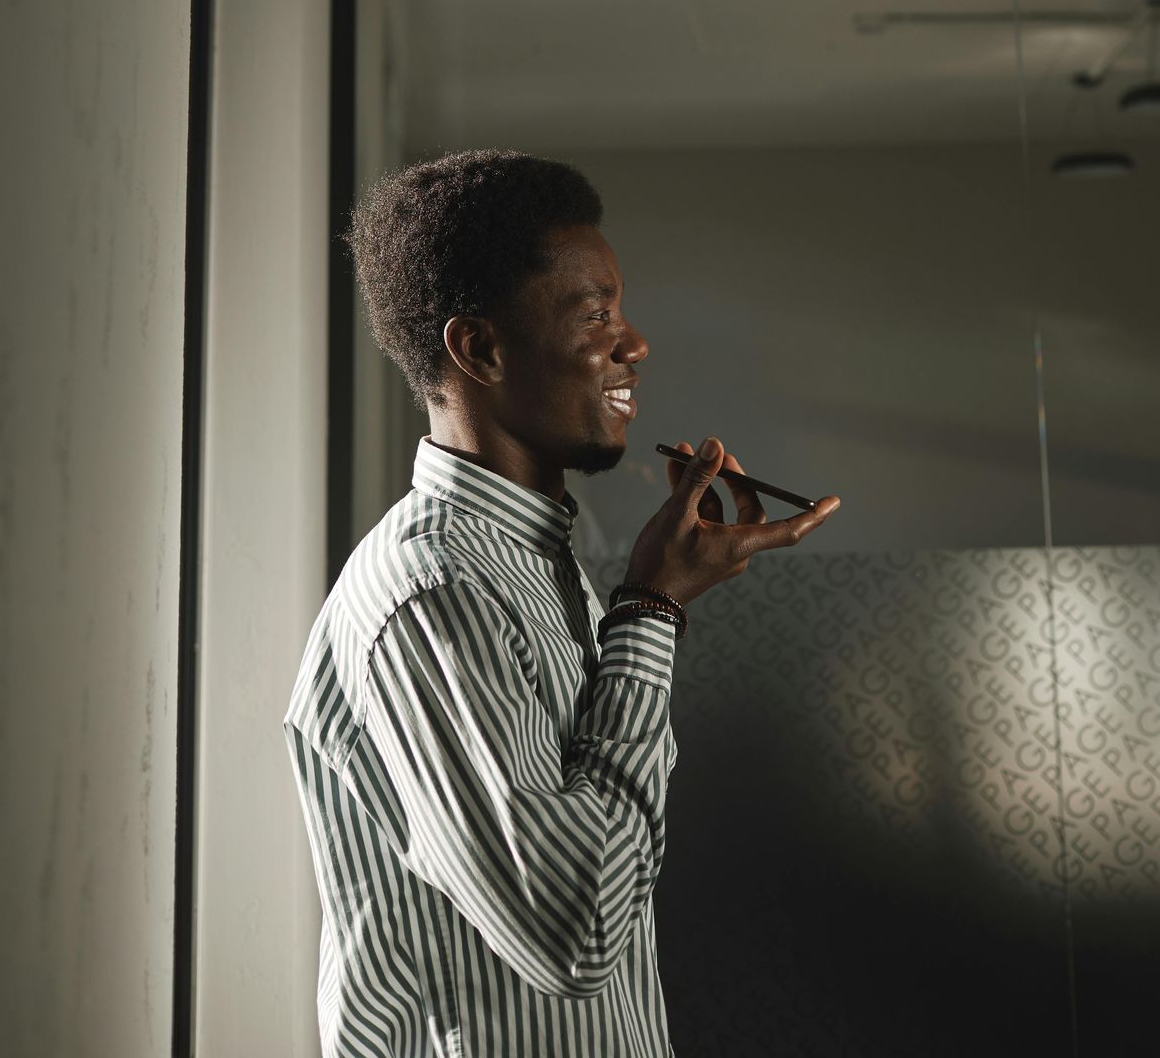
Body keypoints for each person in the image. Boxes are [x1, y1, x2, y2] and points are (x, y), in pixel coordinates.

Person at [284, 150, 841, 1057]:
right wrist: (652, 609)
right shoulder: (434, 592)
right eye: (596, 315)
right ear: (480, 349)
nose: (635, 344)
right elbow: (572, 934)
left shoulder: (537, 566)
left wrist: (652, 603)